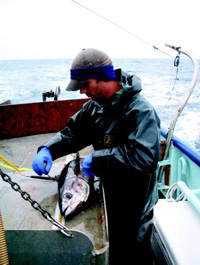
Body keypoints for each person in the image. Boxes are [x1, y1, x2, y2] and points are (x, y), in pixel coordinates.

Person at [32, 48, 160, 264]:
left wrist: (99, 159)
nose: (81, 91)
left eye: (84, 85)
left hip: (134, 206)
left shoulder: (141, 112)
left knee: (132, 254)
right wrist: (48, 149)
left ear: (102, 77)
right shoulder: (93, 108)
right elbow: (72, 134)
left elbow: (143, 158)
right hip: (108, 193)